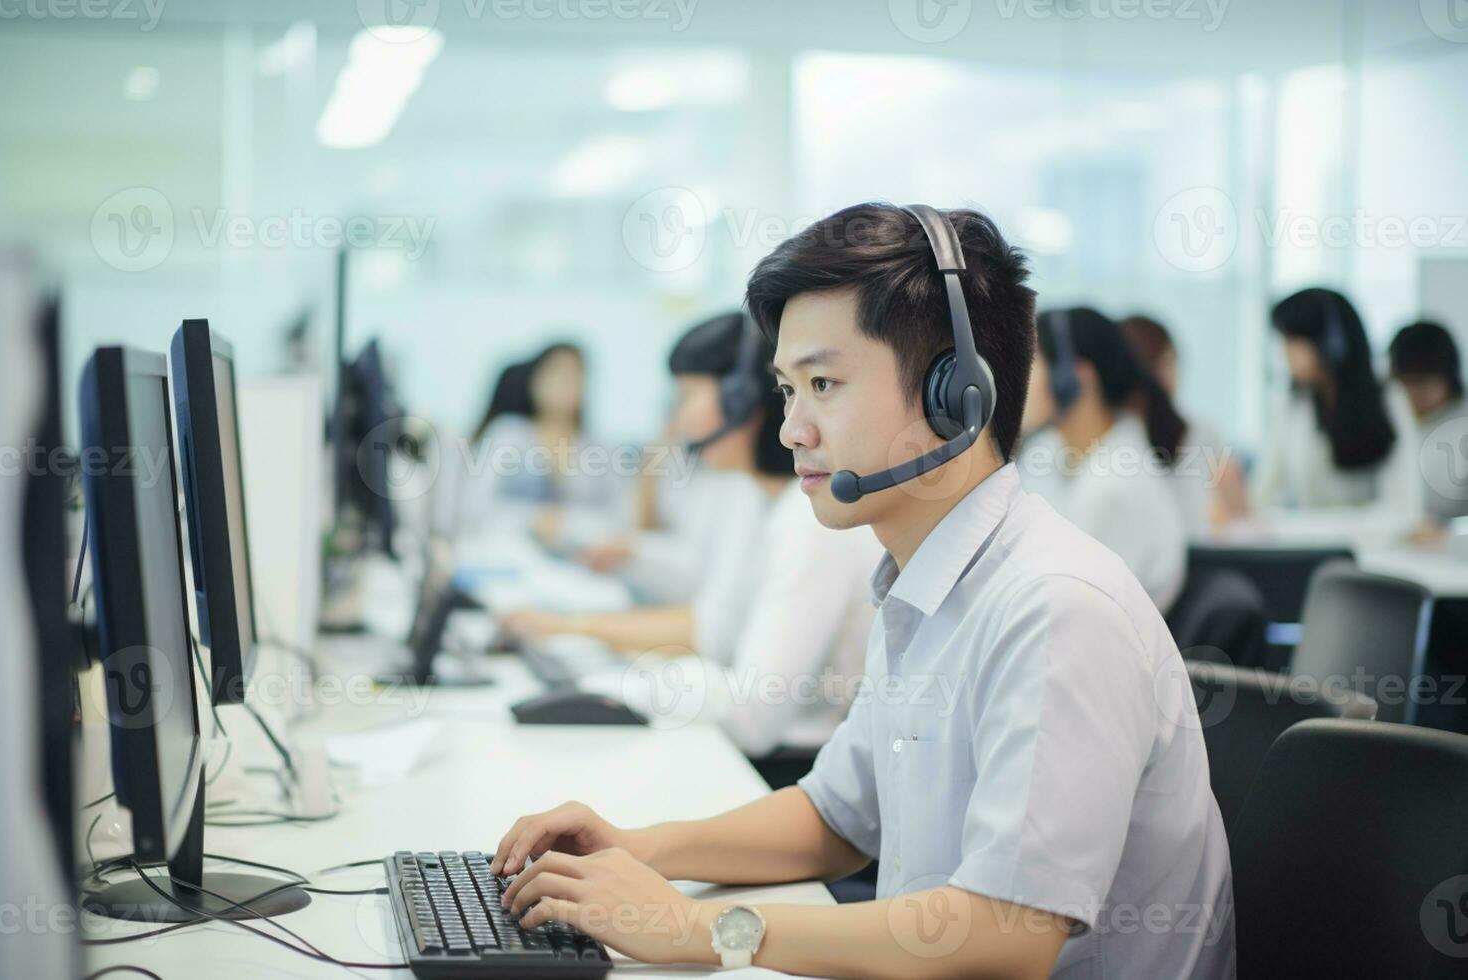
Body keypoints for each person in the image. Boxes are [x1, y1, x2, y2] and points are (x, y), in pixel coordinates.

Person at [488, 204, 1234, 979]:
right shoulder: (923, 584)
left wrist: (704, 928)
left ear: (956, 397)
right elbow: (838, 816)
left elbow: (1008, 934)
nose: (792, 430)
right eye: (787, 390)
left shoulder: (1055, 608)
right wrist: (644, 850)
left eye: (823, 383)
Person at [503, 313, 881, 759]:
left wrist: (625, 682)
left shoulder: (812, 521)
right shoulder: (754, 498)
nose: (677, 420)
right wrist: (581, 637)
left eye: (685, 397)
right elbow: (714, 628)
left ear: (739, 400)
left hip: (793, 764)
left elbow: (753, 715)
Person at [1020, 307, 1189, 614]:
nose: (1017, 380)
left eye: (1032, 363)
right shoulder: (1048, 452)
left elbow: (1068, 608)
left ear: (1074, 377)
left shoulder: (1114, 487)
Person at [1251, 288, 1423, 541]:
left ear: (1333, 342)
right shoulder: (1294, 406)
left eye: (1291, 341)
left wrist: (1294, 526)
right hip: (1309, 555)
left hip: (1373, 558)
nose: (1284, 353)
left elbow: (1403, 513)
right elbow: (1261, 498)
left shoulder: (1388, 401)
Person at [460, 342, 623, 545]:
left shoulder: (600, 448)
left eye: (574, 376)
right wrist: (532, 519)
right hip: (507, 553)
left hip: (579, 559)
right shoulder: (508, 434)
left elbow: (619, 518)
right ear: (535, 381)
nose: (565, 384)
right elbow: (472, 508)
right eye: (556, 373)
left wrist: (567, 524)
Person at [1121, 314, 1248, 531]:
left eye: (1170, 363)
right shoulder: (1118, 437)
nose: (1167, 376)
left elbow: (1241, 515)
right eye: (1157, 366)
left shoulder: (1203, 432)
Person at [1388, 319, 1468, 530]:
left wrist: (1449, 531)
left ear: (1447, 376)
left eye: (1421, 382)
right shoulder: (1391, 418)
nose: (1411, 393)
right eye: (1404, 382)